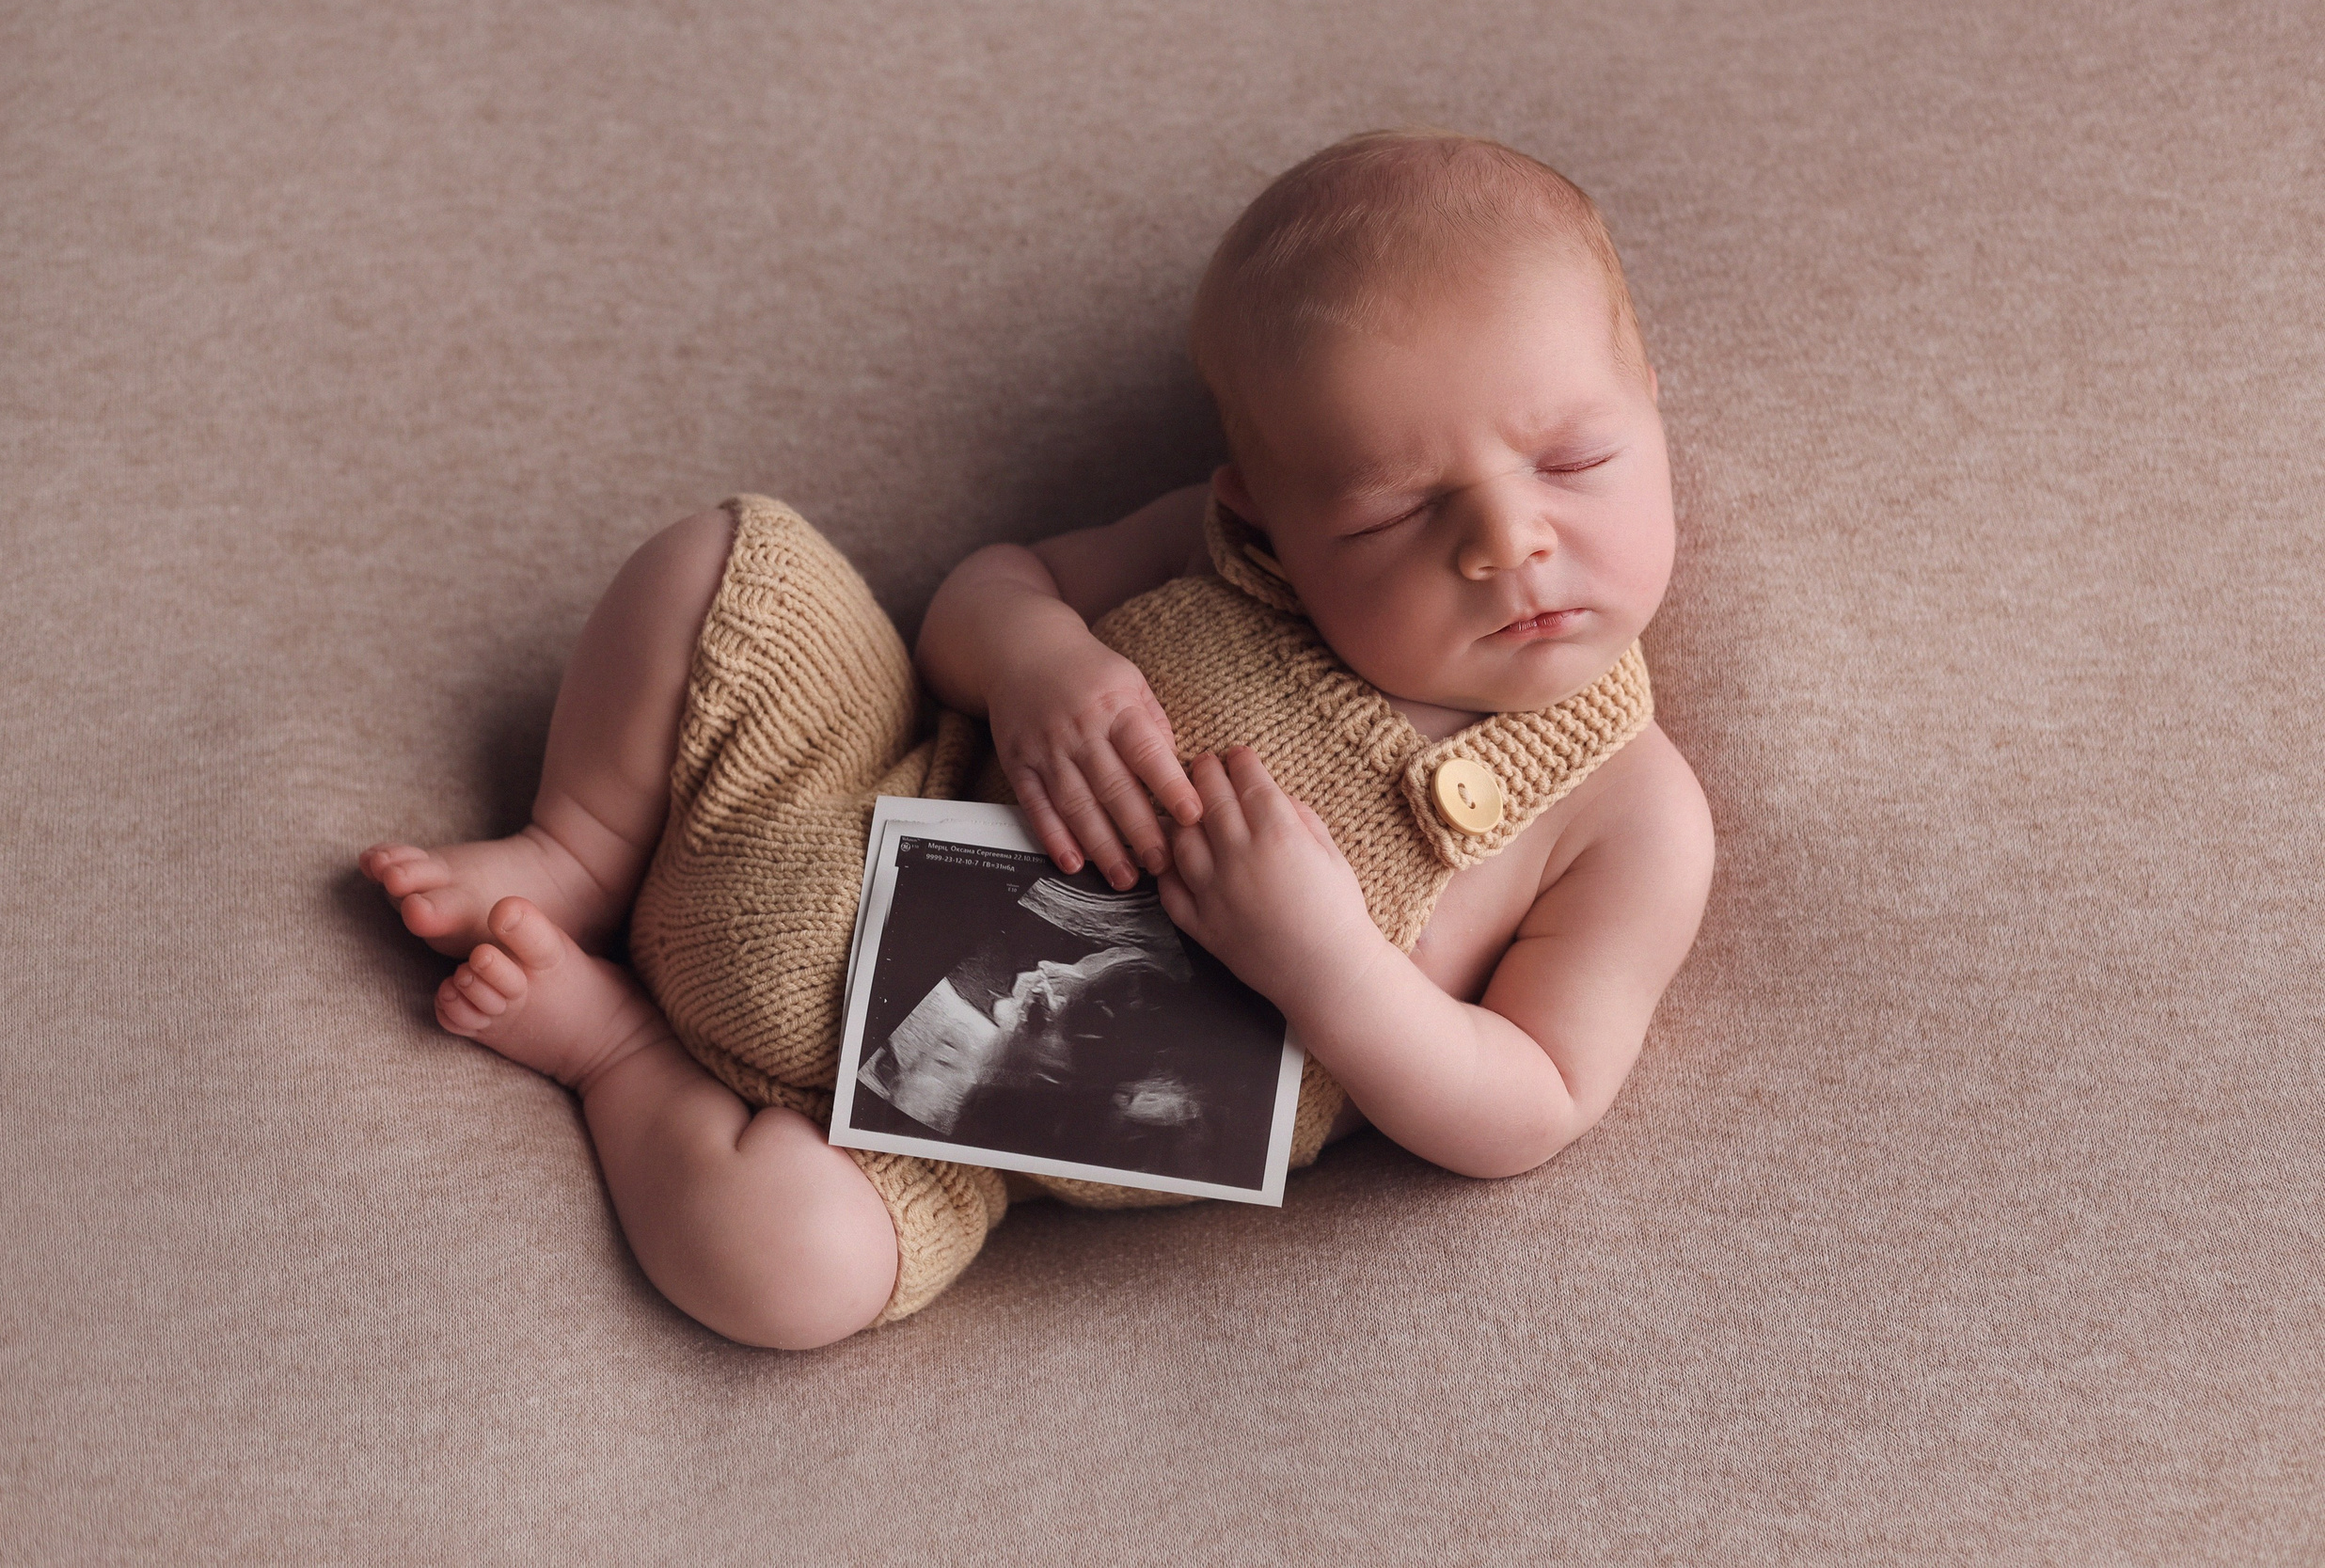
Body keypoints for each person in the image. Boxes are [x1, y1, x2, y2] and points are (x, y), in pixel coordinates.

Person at [357, 127, 1716, 1350]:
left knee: (788, 1271)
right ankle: (577, 850)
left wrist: (1327, 964)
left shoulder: (1629, 815)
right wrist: (1037, 662)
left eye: (1575, 462)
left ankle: (612, 1052)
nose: (1507, 541)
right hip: (849, 788)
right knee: (726, 558)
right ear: (1270, 517)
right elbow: (982, 594)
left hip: (946, 1133)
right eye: (1385, 517)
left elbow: (1534, 1101)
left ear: (1651, 402)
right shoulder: (1215, 547)